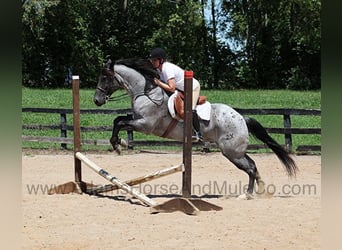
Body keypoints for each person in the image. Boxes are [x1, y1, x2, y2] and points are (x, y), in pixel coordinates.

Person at [149, 47, 203, 141]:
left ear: (161, 60)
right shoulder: (159, 69)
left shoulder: (167, 69)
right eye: (151, 60)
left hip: (192, 87)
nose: (152, 62)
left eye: (154, 60)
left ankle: (198, 133)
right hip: (181, 89)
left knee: (190, 109)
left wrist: (158, 83)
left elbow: (171, 88)